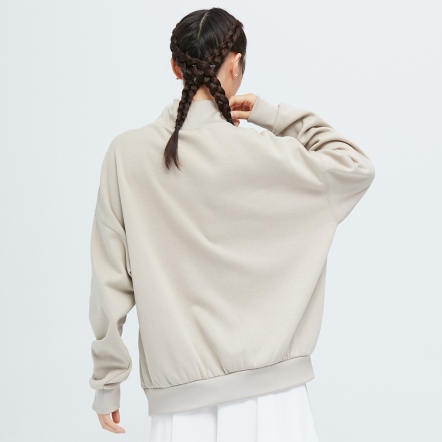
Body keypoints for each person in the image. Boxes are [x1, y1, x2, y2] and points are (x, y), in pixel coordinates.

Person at [88, 7, 375, 441]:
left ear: (175, 67)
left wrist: (108, 382)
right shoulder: (269, 156)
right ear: (236, 64)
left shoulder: (126, 155)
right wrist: (271, 114)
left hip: (179, 408)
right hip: (275, 406)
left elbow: (110, 280)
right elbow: (355, 166)